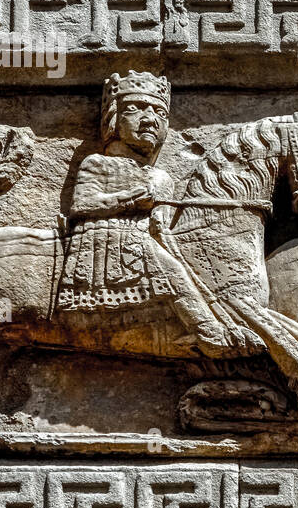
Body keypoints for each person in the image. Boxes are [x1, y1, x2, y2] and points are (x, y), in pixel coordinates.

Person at [56, 71, 232, 356]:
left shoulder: (163, 178)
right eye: (135, 109)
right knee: (173, 271)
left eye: (159, 112)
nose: (150, 119)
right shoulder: (98, 163)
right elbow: (82, 205)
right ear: (113, 119)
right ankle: (207, 332)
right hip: (106, 237)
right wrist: (131, 199)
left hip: (144, 239)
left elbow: (160, 224)